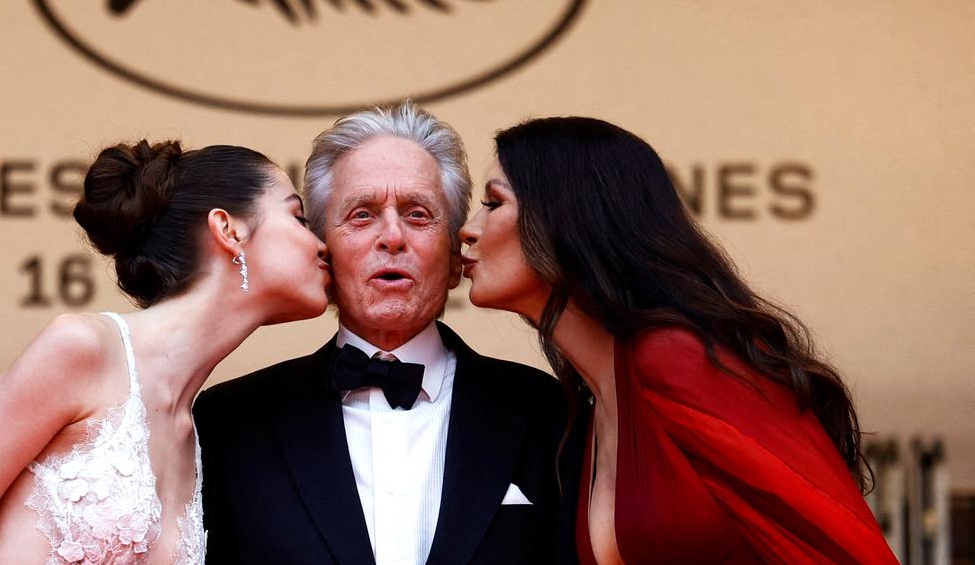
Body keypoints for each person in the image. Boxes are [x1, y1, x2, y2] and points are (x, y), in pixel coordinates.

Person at [458, 116, 896, 564]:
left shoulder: (677, 358)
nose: (468, 229)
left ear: (568, 218)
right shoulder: (593, 409)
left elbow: (847, 551)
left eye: (493, 203)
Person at [0, 140, 330, 564]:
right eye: (298, 218)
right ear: (228, 229)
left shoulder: (196, 436)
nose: (322, 246)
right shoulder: (81, 349)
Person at [193, 102, 571, 565]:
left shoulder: (546, 411)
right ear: (321, 253)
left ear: (456, 259)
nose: (392, 237)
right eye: (362, 215)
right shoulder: (231, 422)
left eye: (417, 215)